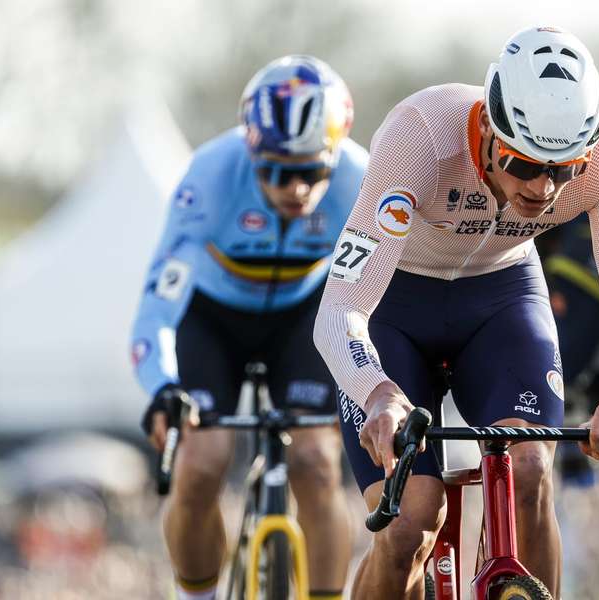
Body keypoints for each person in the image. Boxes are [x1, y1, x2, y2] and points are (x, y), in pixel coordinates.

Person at [313, 26, 599, 598]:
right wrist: (376, 391)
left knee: (529, 470)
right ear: (487, 126)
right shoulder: (421, 134)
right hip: (395, 303)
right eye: (525, 164)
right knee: (411, 522)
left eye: (564, 169)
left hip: (501, 295)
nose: (545, 189)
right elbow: (340, 310)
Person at [130, 55, 364, 600]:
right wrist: (162, 388)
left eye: (312, 171)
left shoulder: (361, 176)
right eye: (277, 171)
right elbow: (156, 307)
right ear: (250, 149)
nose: (296, 188)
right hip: (213, 319)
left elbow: (381, 297)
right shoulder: (210, 176)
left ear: (335, 158)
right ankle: (199, 594)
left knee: (317, 461)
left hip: (303, 317)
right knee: (202, 462)